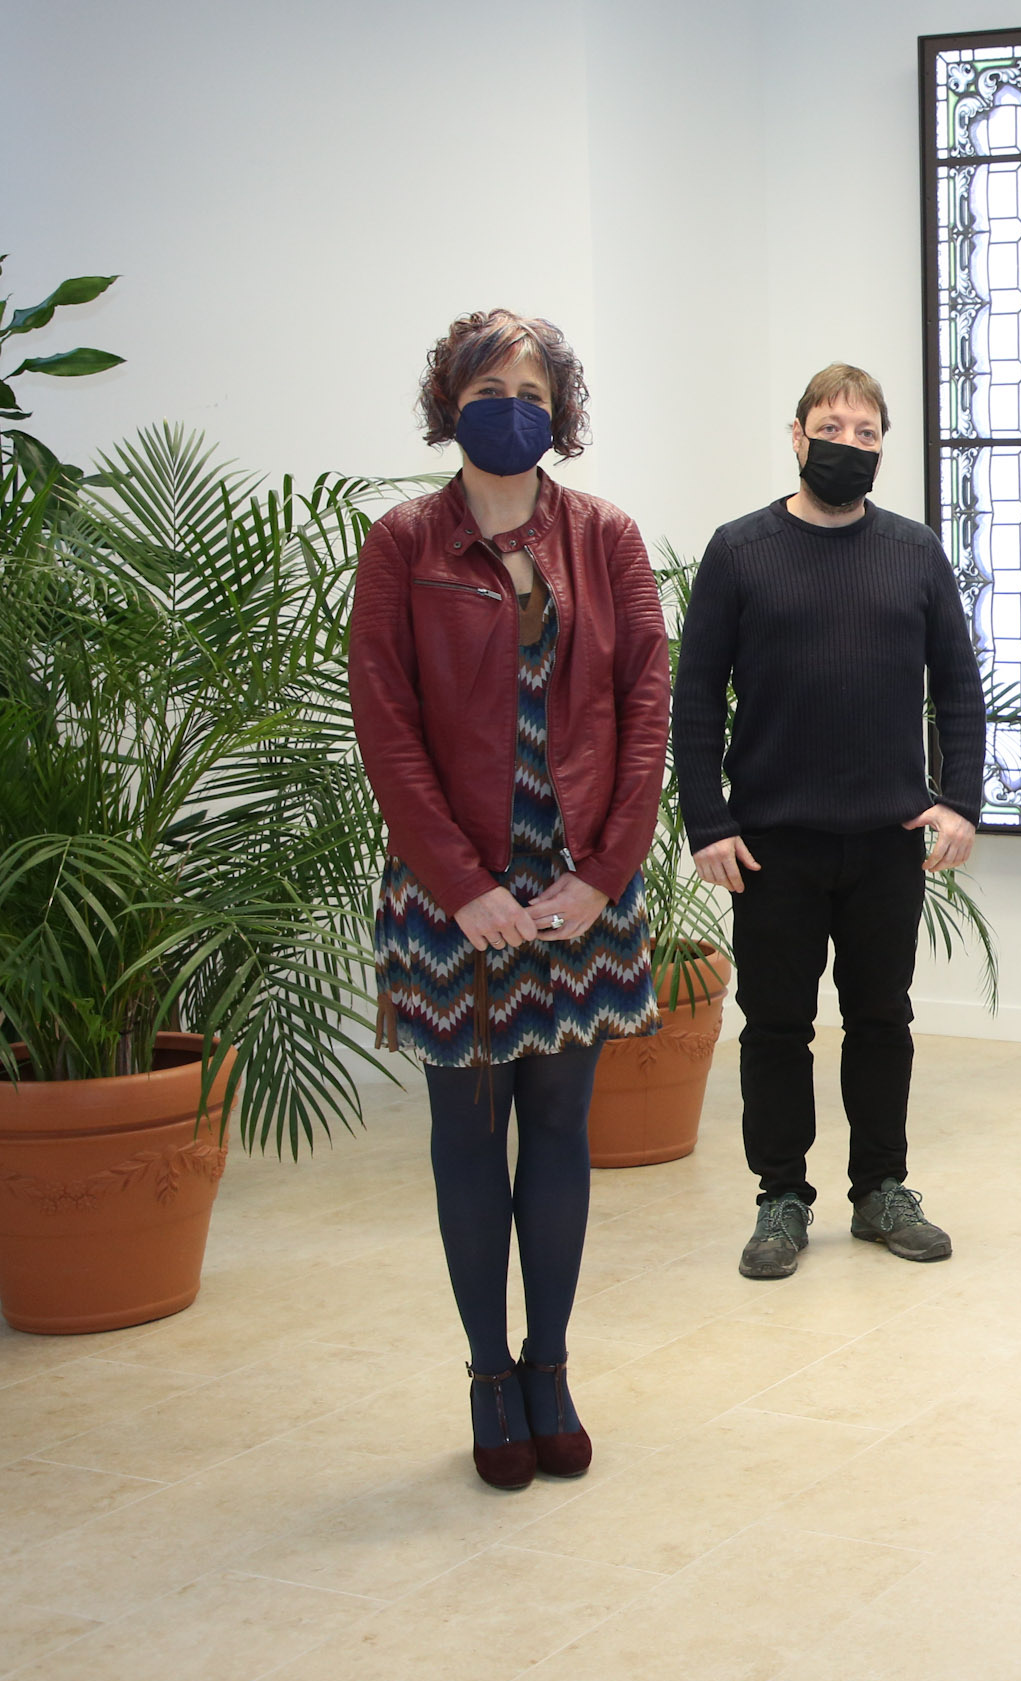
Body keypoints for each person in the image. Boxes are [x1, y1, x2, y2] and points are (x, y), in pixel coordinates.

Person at [350, 310, 668, 1490]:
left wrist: (605, 874)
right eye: (487, 389)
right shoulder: (403, 544)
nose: (511, 407)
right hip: (456, 901)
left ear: (560, 410)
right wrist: (462, 886)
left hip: (580, 890)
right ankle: (490, 1373)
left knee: (563, 1132)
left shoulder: (606, 537)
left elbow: (647, 710)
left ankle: (550, 1366)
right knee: (469, 1136)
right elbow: (387, 727)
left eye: (532, 390)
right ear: (450, 404)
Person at [673, 364, 986, 1281]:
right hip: (772, 844)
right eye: (831, 426)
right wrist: (707, 821)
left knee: (881, 1018)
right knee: (775, 1026)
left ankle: (881, 1188)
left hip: (887, 840)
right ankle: (780, 1195)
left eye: (866, 431)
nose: (848, 444)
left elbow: (958, 688)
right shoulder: (741, 551)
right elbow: (696, 698)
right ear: (797, 435)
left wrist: (959, 799)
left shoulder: (913, 552)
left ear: (883, 446)